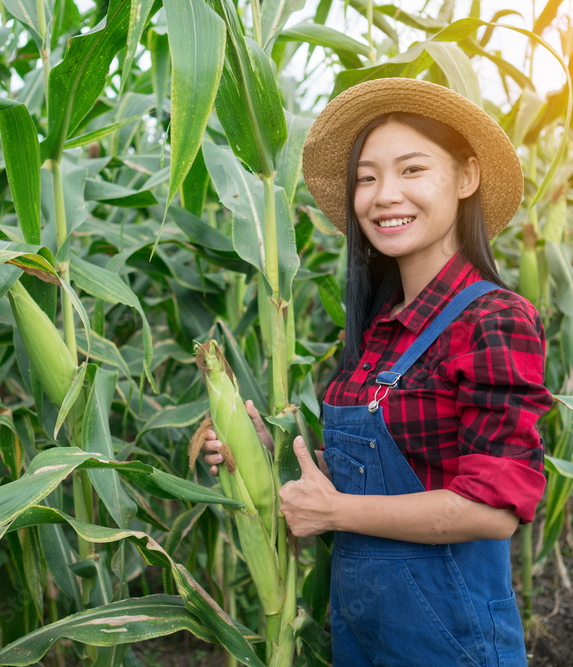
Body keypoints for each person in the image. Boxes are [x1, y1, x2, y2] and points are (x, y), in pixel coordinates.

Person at [201, 77, 553, 666]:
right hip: (363, 634)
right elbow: (373, 472)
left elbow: (491, 512)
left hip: (449, 642)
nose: (384, 194)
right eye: (367, 177)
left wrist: (334, 513)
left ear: (466, 178)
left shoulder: (494, 319)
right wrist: (262, 451)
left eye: (412, 170)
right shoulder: (380, 330)